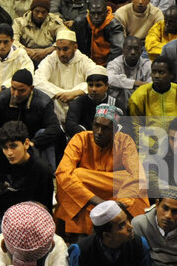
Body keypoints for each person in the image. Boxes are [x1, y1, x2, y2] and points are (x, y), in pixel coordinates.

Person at [55, 103, 148, 241]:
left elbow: (137, 176)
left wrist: (119, 204)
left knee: (78, 175)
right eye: (96, 125)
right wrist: (101, 203)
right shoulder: (80, 139)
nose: (98, 132)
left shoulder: (125, 141)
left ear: (115, 130)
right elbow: (62, 174)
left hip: (115, 197)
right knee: (69, 181)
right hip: (86, 196)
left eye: (105, 128)